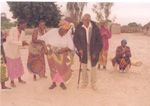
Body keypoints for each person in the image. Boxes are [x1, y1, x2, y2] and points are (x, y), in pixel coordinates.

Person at [40, 20, 74, 90]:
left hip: (62, 53)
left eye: (67, 31)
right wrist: (45, 48)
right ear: (60, 28)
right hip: (51, 53)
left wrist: (63, 50)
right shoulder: (52, 32)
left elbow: (71, 47)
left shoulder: (67, 34)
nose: (65, 32)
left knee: (62, 68)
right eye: (64, 30)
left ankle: (62, 83)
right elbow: (42, 39)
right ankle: (54, 83)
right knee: (53, 68)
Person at [74, 14, 103, 90]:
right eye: (83, 20)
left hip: (93, 49)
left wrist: (95, 52)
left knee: (93, 66)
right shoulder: (79, 27)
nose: (84, 21)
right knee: (84, 65)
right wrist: (79, 48)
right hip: (83, 49)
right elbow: (75, 39)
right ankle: (84, 82)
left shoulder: (95, 28)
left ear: (89, 20)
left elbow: (100, 42)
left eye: (85, 20)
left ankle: (93, 83)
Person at [5, 19, 29, 87]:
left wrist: (24, 43)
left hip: (17, 52)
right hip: (10, 52)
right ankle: (12, 81)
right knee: (11, 67)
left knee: (18, 66)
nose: (25, 27)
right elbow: (10, 41)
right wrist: (21, 43)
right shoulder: (13, 29)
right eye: (24, 25)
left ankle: (20, 79)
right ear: (20, 24)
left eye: (26, 25)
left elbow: (20, 41)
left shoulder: (23, 32)